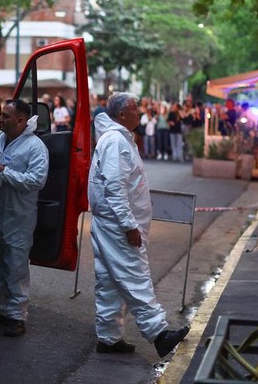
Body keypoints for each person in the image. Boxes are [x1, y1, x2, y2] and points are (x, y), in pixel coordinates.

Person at [87, 92, 190, 357]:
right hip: (118, 226)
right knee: (135, 278)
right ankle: (159, 334)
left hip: (113, 223)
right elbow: (115, 187)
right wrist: (128, 225)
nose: (140, 111)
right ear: (121, 115)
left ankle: (108, 338)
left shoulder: (118, 139)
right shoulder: (115, 142)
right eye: (135, 108)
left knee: (110, 282)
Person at [0, 99, 49, 337]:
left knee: (15, 265)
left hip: (18, 216)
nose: (0, 119)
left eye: (5, 116)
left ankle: (17, 316)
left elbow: (37, 180)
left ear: (21, 120)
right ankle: (1, 308)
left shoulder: (35, 147)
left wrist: (7, 173)